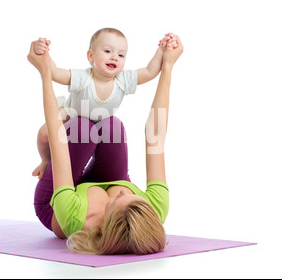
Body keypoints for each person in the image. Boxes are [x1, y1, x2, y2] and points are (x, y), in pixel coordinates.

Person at [27, 34, 183, 255]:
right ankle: (87, 155)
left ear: (105, 225)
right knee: (112, 127)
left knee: (82, 129)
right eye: (131, 196)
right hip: (93, 186)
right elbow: (155, 134)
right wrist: (167, 65)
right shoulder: (154, 208)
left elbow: (57, 135)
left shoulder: (75, 216)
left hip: (55, 200)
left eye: (117, 201)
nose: (121, 193)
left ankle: (77, 157)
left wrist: (44, 73)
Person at [32, 28, 179, 179]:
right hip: (72, 114)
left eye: (121, 55)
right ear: (91, 56)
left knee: (107, 138)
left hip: (101, 123)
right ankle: (45, 160)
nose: (115, 57)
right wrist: (44, 53)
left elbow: (150, 71)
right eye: (108, 51)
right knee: (44, 133)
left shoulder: (123, 80)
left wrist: (162, 50)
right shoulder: (83, 78)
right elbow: (55, 73)